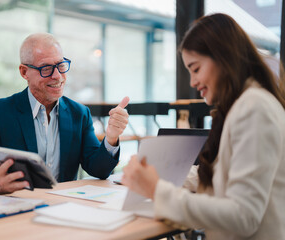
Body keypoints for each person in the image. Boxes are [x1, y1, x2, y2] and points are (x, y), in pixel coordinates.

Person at [122, 13, 285, 240]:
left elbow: (244, 216)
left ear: (223, 58)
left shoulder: (254, 108)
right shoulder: (243, 105)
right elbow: (219, 176)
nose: (192, 82)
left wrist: (157, 190)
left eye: (196, 69)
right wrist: (158, 176)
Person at [0, 33, 129, 194]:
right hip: (18, 205)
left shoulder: (79, 114)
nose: (57, 76)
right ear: (24, 72)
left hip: (63, 207)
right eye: (46, 68)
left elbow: (98, 169)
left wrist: (111, 137)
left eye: (61, 65)